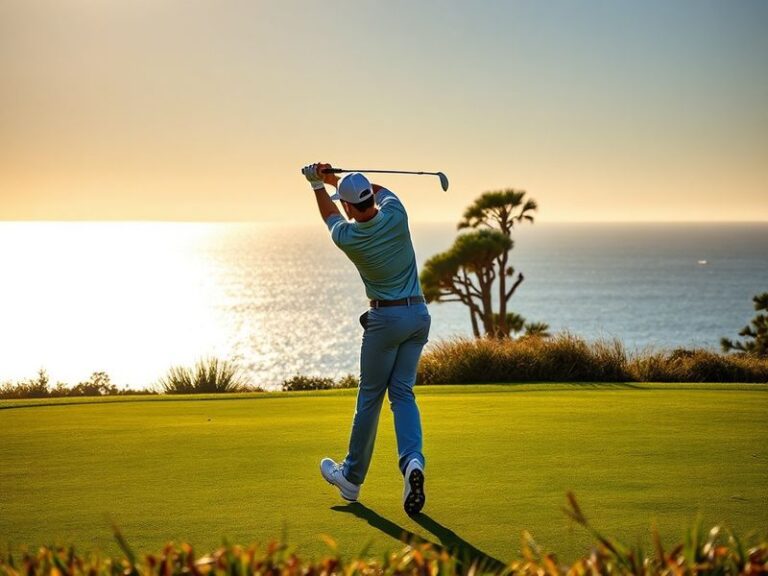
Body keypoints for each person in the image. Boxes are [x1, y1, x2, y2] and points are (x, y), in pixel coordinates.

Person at [301, 162, 431, 515]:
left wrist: (317, 183)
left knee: (370, 398)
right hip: (418, 316)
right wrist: (337, 181)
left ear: (347, 206)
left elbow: (329, 214)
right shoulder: (396, 213)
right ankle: (412, 463)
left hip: (385, 319)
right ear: (369, 197)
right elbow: (377, 192)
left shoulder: (348, 237)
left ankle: (352, 478)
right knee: (402, 393)